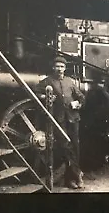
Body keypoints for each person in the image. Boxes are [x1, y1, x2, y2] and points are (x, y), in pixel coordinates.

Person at [35, 56, 85, 189]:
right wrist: (46, 97)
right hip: (58, 119)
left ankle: (71, 179)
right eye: (57, 66)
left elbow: (81, 97)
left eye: (62, 67)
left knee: (75, 147)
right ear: (53, 67)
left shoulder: (70, 81)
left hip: (73, 118)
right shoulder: (47, 81)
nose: (59, 69)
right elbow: (36, 93)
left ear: (65, 68)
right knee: (66, 147)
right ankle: (77, 175)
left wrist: (78, 103)